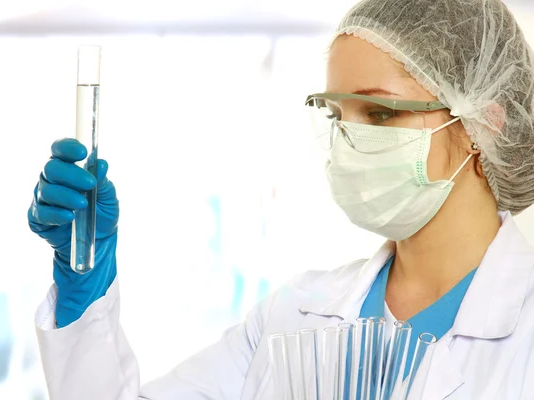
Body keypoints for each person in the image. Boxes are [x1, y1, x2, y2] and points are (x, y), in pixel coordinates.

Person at [28, 0, 534, 398]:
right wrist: (83, 292)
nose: (348, 141)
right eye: (338, 115)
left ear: (482, 123)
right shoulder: (294, 315)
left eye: (380, 113)